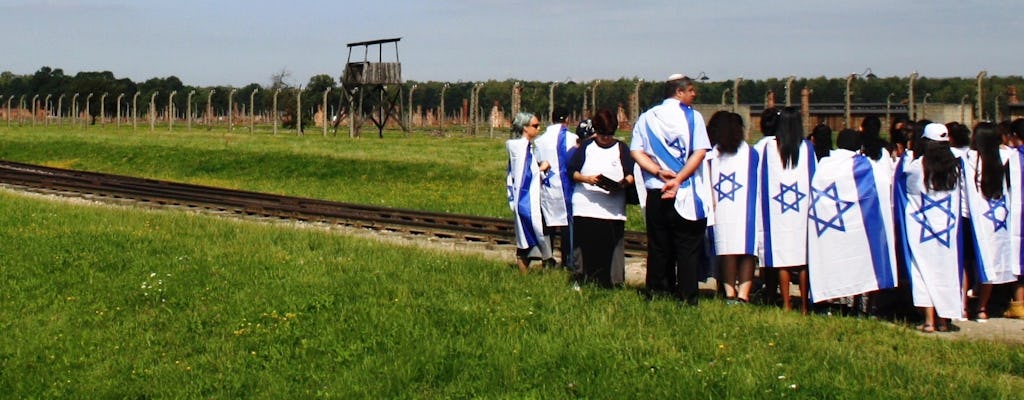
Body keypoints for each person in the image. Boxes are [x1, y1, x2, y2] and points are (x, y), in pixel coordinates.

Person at [630, 74, 713, 304]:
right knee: (687, 247)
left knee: (659, 246)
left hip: (657, 189)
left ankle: (658, 291)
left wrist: (657, 172)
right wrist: (678, 179)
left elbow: (636, 152)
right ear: (679, 92)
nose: (694, 94)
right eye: (691, 90)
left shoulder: (646, 118)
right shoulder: (692, 117)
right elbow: (699, 152)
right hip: (684, 190)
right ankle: (687, 295)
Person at [807, 129, 897, 304]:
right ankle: (862, 304)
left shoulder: (825, 164)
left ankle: (829, 302)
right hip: (856, 222)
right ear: (859, 146)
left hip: (830, 223)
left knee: (831, 259)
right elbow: (884, 185)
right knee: (861, 258)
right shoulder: (866, 166)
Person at [893, 123, 964, 333]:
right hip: (947, 229)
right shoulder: (956, 168)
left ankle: (929, 320)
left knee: (923, 272)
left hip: (921, 229)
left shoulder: (917, 167)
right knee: (946, 271)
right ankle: (944, 320)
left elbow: (905, 187)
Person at [757, 106, 816, 314]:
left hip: (777, 210)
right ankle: (805, 306)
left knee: (782, 259)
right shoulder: (807, 147)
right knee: (802, 261)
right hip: (801, 209)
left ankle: (786, 304)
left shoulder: (770, 148)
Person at [567, 109, 635, 287]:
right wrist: (586, 179)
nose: (606, 138)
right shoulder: (586, 147)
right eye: (603, 134)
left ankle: (612, 281)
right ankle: (582, 278)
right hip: (586, 204)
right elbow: (571, 171)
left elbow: (631, 173)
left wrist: (622, 184)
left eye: (610, 134)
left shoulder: (621, 148)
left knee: (612, 246)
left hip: (612, 208)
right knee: (586, 245)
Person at [962, 122, 1015, 322]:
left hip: (974, 218)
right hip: (998, 219)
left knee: (968, 263)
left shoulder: (969, 158)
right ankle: (982, 308)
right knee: (991, 262)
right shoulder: (1005, 157)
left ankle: (963, 307)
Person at [707, 111, 758, 303]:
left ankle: (730, 293)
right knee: (747, 252)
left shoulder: (713, 154)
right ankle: (744, 294)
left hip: (722, 209)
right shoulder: (751, 153)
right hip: (747, 210)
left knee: (726, 248)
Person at [506, 112, 553, 274]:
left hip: (525, 199)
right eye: (535, 126)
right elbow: (524, 175)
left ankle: (529, 271)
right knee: (530, 235)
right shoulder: (522, 149)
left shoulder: (521, 148)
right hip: (526, 200)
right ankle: (528, 272)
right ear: (525, 128)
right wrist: (542, 168)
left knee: (527, 236)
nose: (539, 128)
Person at [534, 110, 578, 269]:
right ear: (567, 119)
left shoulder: (540, 140)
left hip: (548, 187)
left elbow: (538, 162)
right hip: (567, 189)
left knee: (548, 225)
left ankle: (547, 259)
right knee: (569, 226)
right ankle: (569, 261)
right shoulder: (573, 139)